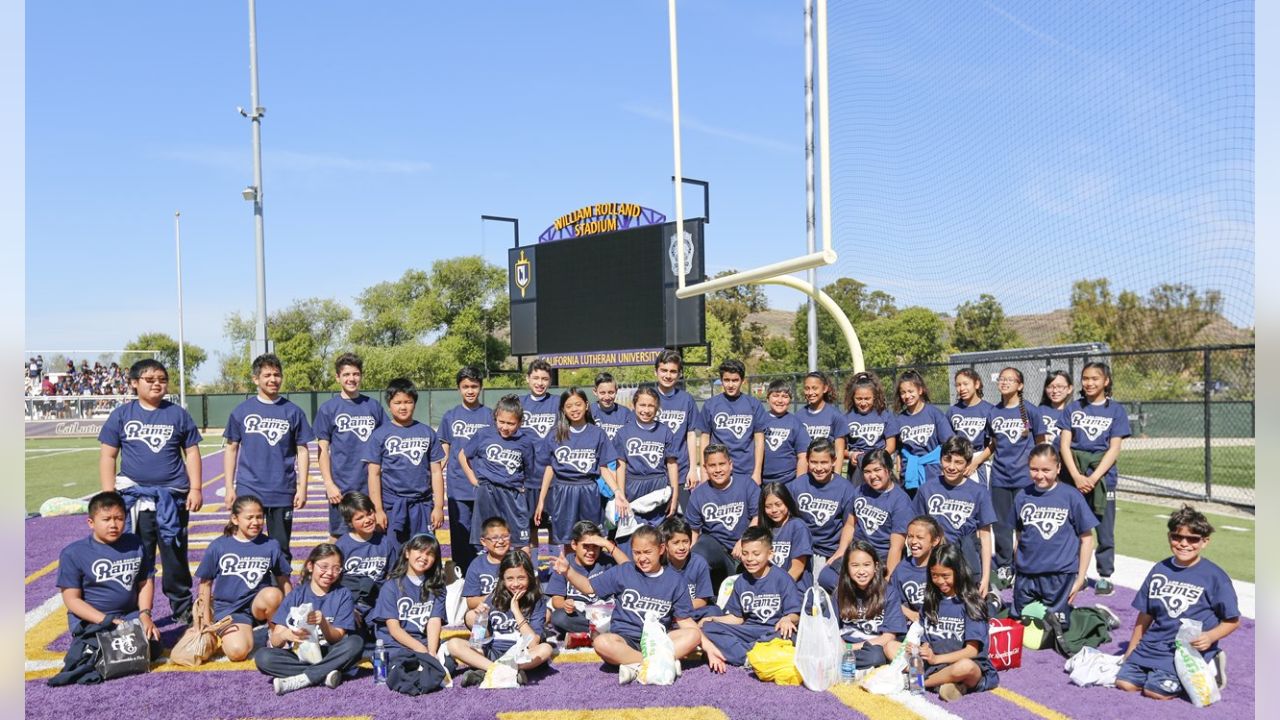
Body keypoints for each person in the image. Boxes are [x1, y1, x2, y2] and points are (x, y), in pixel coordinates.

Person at [97, 358, 202, 625]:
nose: (157, 384)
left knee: (175, 556)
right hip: (135, 499)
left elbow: (191, 452)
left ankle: (182, 608)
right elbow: (108, 456)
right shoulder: (122, 414)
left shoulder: (178, 414)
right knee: (136, 557)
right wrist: (109, 496)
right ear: (134, 383)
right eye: (150, 379)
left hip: (172, 498)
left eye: (162, 379)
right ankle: (134, 612)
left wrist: (197, 487)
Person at [1116, 505, 1239, 701]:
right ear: (1169, 537)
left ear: (1204, 542)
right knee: (1125, 684)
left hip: (1185, 651)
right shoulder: (1159, 569)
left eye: (1193, 539)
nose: (1184, 544)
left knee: (1155, 692)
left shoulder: (1215, 577)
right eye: (1177, 537)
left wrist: (1210, 636)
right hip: (1153, 644)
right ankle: (1155, 670)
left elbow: (1232, 620)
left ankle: (1211, 663)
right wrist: (1131, 650)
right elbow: (1145, 614)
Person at [553, 525, 703, 684]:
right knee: (601, 643)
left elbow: (685, 622)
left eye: (647, 552)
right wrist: (568, 571)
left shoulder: (675, 580)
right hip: (625, 640)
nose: (642, 558)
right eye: (637, 553)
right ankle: (656, 664)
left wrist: (709, 648)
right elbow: (588, 587)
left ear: (661, 549)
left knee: (693, 635)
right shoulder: (624, 571)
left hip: (657, 641)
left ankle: (635, 666)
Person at [53, 491, 160, 681]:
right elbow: (72, 600)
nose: (113, 524)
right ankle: (87, 644)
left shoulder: (135, 543)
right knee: (105, 655)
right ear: (91, 522)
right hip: (94, 620)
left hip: (128, 615)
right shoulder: (73, 553)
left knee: (152, 645)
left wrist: (145, 614)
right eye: (106, 519)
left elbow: (145, 582)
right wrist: (105, 620)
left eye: (119, 518)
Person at [223, 353, 314, 556]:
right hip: (249, 488)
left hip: (282, 489)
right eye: (267, 375)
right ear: (256, 379)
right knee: (246, 546)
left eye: (277, 374)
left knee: (280, 549)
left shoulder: (293, 412)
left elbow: (302, 450)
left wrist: (303, 487)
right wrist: (230, 487)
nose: (273, 379)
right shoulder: (242, 411)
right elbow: (231, 448)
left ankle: (280, 588)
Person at [254, 544, 364, 695]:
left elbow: (336, 638)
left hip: (329, 652)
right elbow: (275, 641)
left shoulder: (343, 594)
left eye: (336, 568)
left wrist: (323, 623)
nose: (329, 573)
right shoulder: (296, 594)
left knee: (355, 643)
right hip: (301, 655)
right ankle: (325, 674)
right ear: (310, 566)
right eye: (324, 566)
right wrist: (286, 635)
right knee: (263, 657)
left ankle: (303, 678)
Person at [896, 544, 1000, 702]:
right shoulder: (930, 601)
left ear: (958, 572)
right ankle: (950, 685)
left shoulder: (971, 603)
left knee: (966, 667)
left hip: (961, 664)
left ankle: (919, 682)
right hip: (934, 663)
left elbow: (972, 651)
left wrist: (936, 659)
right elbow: (926, 641)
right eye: (934, 575)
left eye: (945, 576)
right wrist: (919, 649)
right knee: (891, 647)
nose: (940, 581)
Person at [194, 495, 292, 662]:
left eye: (259, 517)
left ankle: (273, 631)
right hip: (231, 610)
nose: (256, 522)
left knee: (273, 595)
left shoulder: (270, 545)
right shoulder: (219, 545)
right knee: (237, 653)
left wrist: (291, 611)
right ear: (235, 519)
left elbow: (284, 580)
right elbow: (205, 583)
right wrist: (205, 619)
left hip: (258, 604)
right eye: (249, 518)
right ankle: (248, 633)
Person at [1060, 362, 1130, 595]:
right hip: (1074, 477)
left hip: (1102, 477)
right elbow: (1064, 445)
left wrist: (1094, 477)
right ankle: (1072, 571)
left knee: (1104, 528)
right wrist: (1077, 477)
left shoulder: (1116, 410)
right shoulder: (1073, 408)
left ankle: (1104, 575)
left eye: (1095, 378)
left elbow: (1114, 448)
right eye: (1086, 378)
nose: (1089, 383)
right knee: (1072, 526)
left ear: (1106, 381)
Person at [1012, 444, 1097, 629]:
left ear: (1058, 468)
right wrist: (1017, 564)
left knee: (1054, 631)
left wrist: (1080, 577)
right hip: (1027, 575)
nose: (1040, 475)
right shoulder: (1022, 496)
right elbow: (1019, 535)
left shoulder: (1071, 496)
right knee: (1020, 626)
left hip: (1059, 576)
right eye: (1034, 469)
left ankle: (1096, 617)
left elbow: (1087, 539)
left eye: (1046, 470)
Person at [700, 526, 802, 671]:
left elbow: (795, 614)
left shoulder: (782, 578)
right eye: (745, 553)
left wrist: (788, 619)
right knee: (708, 628)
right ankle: (747, 657)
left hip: (773, 631)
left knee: (789, 636)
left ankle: (741, 652)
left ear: (770, 554)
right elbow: (737, 618)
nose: (750, 559)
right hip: (749, 630)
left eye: (756, 554)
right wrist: (713, 619)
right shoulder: (741, 581)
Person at [449, 550, 556, 686]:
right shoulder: (494, 596)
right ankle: (502, 671)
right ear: (502, 579)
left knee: (546, 649)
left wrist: (516, 611)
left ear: (530, 577)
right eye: (510, 579)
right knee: (454, 644)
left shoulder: (537, 601)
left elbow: (533, 643)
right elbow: (478, 640)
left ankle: (486, 671)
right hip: (492, 652)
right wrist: (481, 619)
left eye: (521, 578)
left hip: (521, 654)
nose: (516, 584)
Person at [534, 388, 619, 552]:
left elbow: (604, 468)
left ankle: (592, 574)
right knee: (567, 541)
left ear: (586, 405)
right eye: (569, 406)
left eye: (578, 404)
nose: (574, 409)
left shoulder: (598, 433)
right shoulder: (555, 435)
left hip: (589, 491)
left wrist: (618, 492)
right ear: (563, 410)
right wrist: (541, 500)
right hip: (563, 491)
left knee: (592, 537)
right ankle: (567, 575)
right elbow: (549, 468)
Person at [314, 353, 386, 542]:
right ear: (338, 377)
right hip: (341, 486)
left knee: (375, 531)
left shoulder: (373, 406)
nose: (351, 379)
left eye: (355, 374)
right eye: (346, 375)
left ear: (361, 376)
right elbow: (322, 450)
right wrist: (329, 484)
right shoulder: (328, 408)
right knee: (339, 537)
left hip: (370, 485)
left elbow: (386, 443)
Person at [365, 378, 446, 545]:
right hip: (393, 506)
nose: (403, 407)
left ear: (415, 404)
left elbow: (437, 472)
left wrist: (438, 507)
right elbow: (373, 474)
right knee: (395, 555)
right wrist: (378, 509)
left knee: (424, 553)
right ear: (389, 405)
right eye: (398, 402)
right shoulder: (379, 435)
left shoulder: (427, 432)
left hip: (422, 505)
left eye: (408, 402)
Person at [914, 436, 996, 598]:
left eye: (958, 462)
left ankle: (994, 597)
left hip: (966, 563)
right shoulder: (927, 489)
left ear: (967, 463)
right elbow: (918, 531)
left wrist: (986, 577)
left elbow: (985, 537)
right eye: (947, 460)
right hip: (936, 564)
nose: (951, 467)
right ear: (940, 460)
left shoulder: (979, 492)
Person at [988, 367, 1046, 590]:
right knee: (1001, 525)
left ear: (1020, 385)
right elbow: (992, 445)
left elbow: (1041, 444)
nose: (1004, 383)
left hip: (1024, 478)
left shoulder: (1031, 411)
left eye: (1010, 380)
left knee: (1025, 523)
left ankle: (1026, 562)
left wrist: (1041, 473)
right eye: (1001, 379)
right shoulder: (993, 412)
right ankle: (1004, 565)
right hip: (1000, 477)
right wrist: (974, 461)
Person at [459, 395, 540, 552]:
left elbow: (529, 470)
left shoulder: (525, 442)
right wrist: (473, 479)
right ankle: (491, 574)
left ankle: (524, 574)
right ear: (495, 417)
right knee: (488, 539)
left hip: (512, 495)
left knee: (520, 541)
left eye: (511, 423)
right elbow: (463, 455)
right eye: (501, 422)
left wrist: (521, 487)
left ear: (520, 423)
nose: (505, 427)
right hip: (487, 493)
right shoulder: (484, 434)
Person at [438, 365, 492, 577]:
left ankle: (484, 573)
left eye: (474, 386)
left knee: (483, 533)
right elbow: (444, 448)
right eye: (465, 386)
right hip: (457, 485)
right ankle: (461, 576)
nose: (470, 390)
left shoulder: (489, 415)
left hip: (483, 485)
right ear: (459, 388)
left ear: (480, 388)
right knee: (460, 534)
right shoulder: (450, 416)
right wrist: (434, 472)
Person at [686, 443, 761, 590]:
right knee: (699, 552)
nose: (718, 470)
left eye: (722, 464)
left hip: (745, 547)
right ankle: (705, 596)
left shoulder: (747, 484)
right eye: (712, 465)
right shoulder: (698, 494)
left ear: (730, 465)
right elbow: (694, 533)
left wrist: (744, 540)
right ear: (705, 469)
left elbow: (757, 517)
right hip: (718, 550)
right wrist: (690, 561)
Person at [369, 533, 450, 663]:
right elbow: (394, 629)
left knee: (448, 661)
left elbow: (434, 622)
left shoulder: (438, 587)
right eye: (420, 551)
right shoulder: (391, 586)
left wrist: (432, 652)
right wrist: (423, 651)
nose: (424, 557)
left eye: (430, 554)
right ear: (407, 553)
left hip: (423, 641)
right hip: (396, 644)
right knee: (406, 661)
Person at [613, 386, 680, 530]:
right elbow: (621, 465)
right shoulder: (624, 433)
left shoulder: (665, 431)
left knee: (659, 534)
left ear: (657, 408)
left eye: (651, 406)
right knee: (633, 533)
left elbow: (672, 464)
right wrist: (621, 494)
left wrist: (674, 495)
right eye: (642, 405)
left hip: (658, 486)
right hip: (633, 487)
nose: (646, 410)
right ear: (633, 405)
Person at [545, 521, 626, 638]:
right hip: (580, 615)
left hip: (606, 614)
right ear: (574, 545)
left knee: (622, 615)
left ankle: (591, 634)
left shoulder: (607, 561)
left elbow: (629, 570)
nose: (591, 552)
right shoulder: (565, 563)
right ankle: (596, 633)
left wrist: (607, 544)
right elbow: (556, 599)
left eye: (595, 547)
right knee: (558, 617)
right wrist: (565, 605)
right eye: (586, 547)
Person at [333, 491, 399, 632]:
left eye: (369, 513)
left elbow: (393, 576)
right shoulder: (342, 546)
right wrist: (348, 608)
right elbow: (334, 583)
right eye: (360, 518)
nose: (367, 520)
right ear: (349, 522)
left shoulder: (385, 543)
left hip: (376, 603)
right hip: (350, 603)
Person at [788, 438, 857, 570]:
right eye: (814, 462)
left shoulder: (845, 489)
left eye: (824, 462)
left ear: (834, 461)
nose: (819, 468)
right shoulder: (797, 485)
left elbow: (849, 526)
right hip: (802, 549)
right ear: (807, 461)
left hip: (830, 551)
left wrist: (840, 553)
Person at [700, 359, 767, 484]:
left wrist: (757, 472)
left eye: (735, 380)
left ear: (743, 381)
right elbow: (705, 438)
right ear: (721, 380)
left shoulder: (754, 405)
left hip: (746, 470)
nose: (730, 385)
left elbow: (759, 440)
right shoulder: (710, 405)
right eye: (726, 380)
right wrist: (704, 473)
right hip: (718, 470)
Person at [835, 540, 899, 669]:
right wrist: (840, 645)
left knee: (876, 657)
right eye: (855, 565)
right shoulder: (839, 592)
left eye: (866, 565)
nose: (861, 571)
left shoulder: (889, 592)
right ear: (847, 567)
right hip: (842, 644)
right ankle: (842, 663)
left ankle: (841, 664)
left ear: (875, 567)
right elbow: (830, 627)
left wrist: (851, 648)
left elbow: (889, 636)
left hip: (871, 647)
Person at [652, 349, 705, 507]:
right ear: (656, 372)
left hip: (682, 472)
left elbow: (690, 435)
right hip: (655, 473)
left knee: (683, 524)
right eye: (664, 370)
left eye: (673, 371)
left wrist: (693, 470)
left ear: (679, 374)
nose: (668, 375)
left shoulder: (686, 399)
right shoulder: (648, 398)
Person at [849, 449, 914, 574]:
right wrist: (840, 553)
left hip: (881, 557)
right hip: (857, 552)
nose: (872, 476)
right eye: (867, 471)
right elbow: (849, 525)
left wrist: (889, 578)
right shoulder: (860, 491)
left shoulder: (900, 500)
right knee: (827, 576)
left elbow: (896, 547)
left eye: (877, 470)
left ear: (889, 470)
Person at [520, 360, 558, 559]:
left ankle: (554, 571)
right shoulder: (519, 403)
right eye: (535, 378)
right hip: (526, 479)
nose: (540, 382)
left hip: (553, 477)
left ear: (550, 381)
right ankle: (532, 569)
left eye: (544, 378)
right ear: (527, 379)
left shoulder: (558, 403)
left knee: (553, 528)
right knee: (529, 528)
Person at [894, 370, 953, 498]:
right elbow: (899, 449)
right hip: (909, 474)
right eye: (903, 392)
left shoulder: (934, 413)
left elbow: (948, 443)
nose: (907, 396)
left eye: (911, 391)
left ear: (920, 390)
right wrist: (899, 468)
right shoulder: (899, 419)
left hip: (934, 472)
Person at [878, 515, 946, 627]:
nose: (913, 541)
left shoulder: (943, 566)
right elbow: (889, 599)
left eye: (920, 537)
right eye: (910, 536)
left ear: (935, 541)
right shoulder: (902, 569)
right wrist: (908, 612)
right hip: (913, 626)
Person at [842, 371, 900, 482]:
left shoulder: (885, 416)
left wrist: (878, 459)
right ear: (852, 398)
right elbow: (840, 449)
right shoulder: (846, 418)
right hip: (857, 469)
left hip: (880, 464)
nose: (863, 403)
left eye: (867, 398)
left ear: (875, 397)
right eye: (859, 399)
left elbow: (891, 446)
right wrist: (850, 454)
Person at [660, 516, 720, 620]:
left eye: (685, 541)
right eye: (675, 543)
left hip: (692, 611)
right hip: (667, 612)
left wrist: (679, 609)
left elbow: (702, 600)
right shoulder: (660, 564)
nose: (682, 547)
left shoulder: (699, 563)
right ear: (665, 545)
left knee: (714, 611)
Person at [757, 482, 813, 587]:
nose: (774, 510)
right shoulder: (763, 530)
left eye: (778, 504)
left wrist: (778, 590)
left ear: (787, 502)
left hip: (794, 591)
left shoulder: (798, 527)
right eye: (768, 506)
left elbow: (797, 568)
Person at [948, 369, 995, 485]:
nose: (961, 388)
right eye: (958, 385)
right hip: (958, 462)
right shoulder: (953, 411)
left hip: (979, 462)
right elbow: (947, 441)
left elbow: (994, 443)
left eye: (965, 384)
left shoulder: (989, 410)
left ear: (977, 384)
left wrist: (976, 462)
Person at [759, 380, 808, 484]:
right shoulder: (759, 420)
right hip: (761, 480)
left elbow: (803, 456)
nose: (780, 400)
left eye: (785, 396)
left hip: (787, 481)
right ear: (767, 398)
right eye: (776, 396)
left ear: (790, 400)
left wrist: (799, 484)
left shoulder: (795, 423)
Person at [798, 371, 847, 469]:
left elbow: (839, 451)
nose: (810, 392)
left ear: (825, 389)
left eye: (815, 388)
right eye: (807, 388)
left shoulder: (836, 415)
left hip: (826, 472)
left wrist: (836, 477)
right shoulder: (799, 416)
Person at [463, 517, 512, 611]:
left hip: (515, 611)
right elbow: (471, 602)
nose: (501, 541)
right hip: (488, 611)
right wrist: (497, 597)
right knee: (470, 616)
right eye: (494, 538)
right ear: (483, 541)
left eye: (505, 536)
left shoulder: (518, 560)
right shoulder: (477, 565)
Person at [590, 371, 633, 441]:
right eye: (602, 393)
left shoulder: (625, 413)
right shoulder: (589, 412)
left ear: (616, 391)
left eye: (611, 392)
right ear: (595, 392)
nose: (607, 397)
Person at [1038, 370, 1074, 447]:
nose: (1054, 391)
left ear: (1069, 388)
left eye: (1060, 386)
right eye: (1050, 387)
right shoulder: (1039, 410)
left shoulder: (1073, 412)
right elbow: (1026, 424)